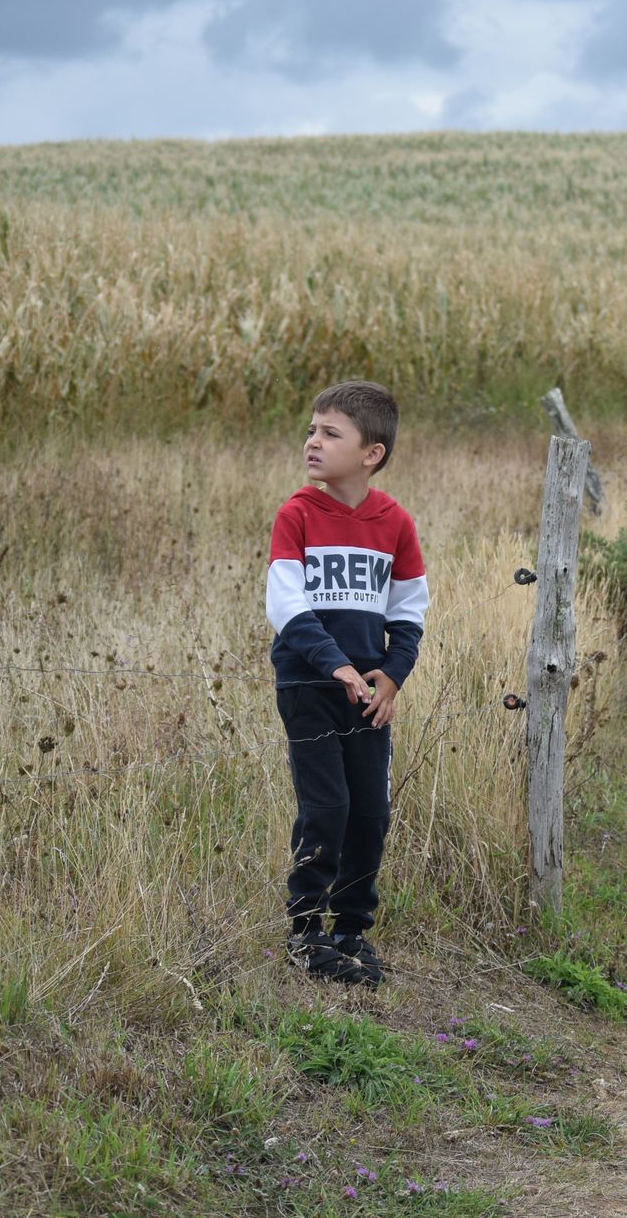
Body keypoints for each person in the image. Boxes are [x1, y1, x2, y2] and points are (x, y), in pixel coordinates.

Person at [264, 380, 429, 985]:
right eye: (311, 430)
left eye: (330, 433)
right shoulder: (297, 514)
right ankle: (305, 931)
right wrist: (335, 665)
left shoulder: (395, 523)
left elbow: (408, 611)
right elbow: (286, 604)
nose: (313, 441)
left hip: (368, 697)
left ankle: (352, 930)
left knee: (370, 813)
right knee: (327, 808)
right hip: (309, 686)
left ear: (371, 453)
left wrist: (393, 676)